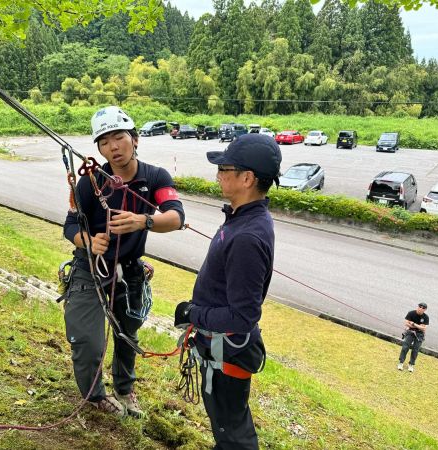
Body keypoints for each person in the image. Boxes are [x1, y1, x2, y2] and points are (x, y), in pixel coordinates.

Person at [62, 106, 185, 418]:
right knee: (87, 341)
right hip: (89, 267)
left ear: (135, 139)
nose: (113, 147)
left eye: (119, 138)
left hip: (128, 270)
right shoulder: (91, 181)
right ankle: (94, 395)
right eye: (104, 142)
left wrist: (143, 221)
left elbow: (176, 216)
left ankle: (124, 389)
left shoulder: (155, 177)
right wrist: (88, 242)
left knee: (127, 335)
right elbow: (71, 225)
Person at [174, 133, 282, 450]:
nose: (219, 174)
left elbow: (243, 315)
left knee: (231, 430)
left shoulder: (248, 236)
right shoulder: (241, 219)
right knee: (226, 423)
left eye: (226, 168)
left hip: (228, 351)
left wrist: (193, 313)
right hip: (219, 345)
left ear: (247, 178)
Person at [398, 302, 429, 372]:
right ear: (417, 307)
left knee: (415, 350)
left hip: (420, 334)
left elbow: (424, 328)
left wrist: (413, 324)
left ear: (425, 309)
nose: (421, 308)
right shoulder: (411, 313)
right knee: (405, 347)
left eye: (423, 308)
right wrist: (418, 326)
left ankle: (411, 364)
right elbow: (406, 323)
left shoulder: (426, 317)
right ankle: (401, 362)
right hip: (410, 332)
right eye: (420, 307)